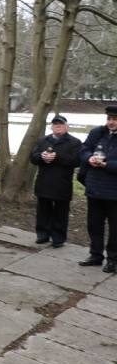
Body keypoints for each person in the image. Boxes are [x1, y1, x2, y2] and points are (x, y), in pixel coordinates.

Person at [29, 115, 81, 248]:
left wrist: (57, 157)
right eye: (55, 124)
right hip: (44, 181)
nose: (58, 126)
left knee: (61, 212)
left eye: (61, 124)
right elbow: (33, 158)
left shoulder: (74, 142)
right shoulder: (43, 140)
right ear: (51, 126)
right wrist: (41, 156)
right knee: (43, 210)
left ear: (66, 126)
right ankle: (42, 234)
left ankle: (58, 237)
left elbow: (76, 161)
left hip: (62, 183)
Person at [78, 105, 117, 273]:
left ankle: (113, 259)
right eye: (109, 118)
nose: (111, 122)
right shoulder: (97, 133)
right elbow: (84, 149)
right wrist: (89, 158)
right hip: (94, 187)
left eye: (114, 119)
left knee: (115, 228)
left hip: (114, 191)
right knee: (94, 224)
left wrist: (107, 165)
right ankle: (95, 255)